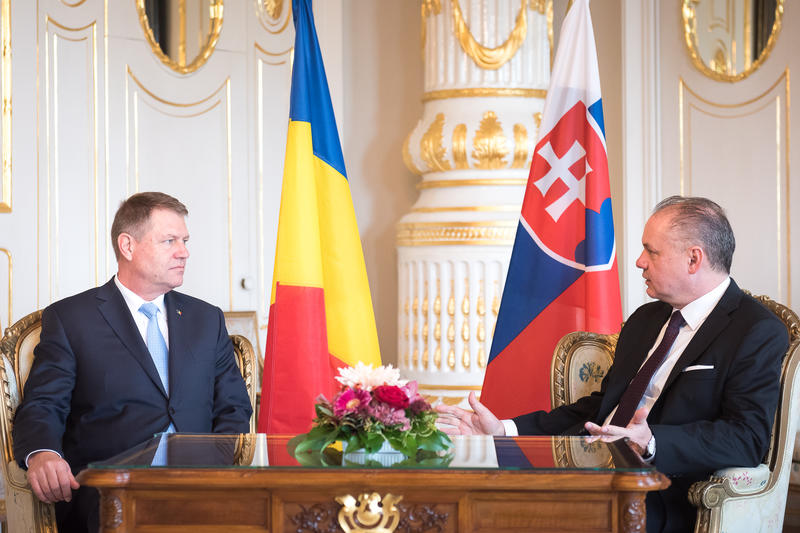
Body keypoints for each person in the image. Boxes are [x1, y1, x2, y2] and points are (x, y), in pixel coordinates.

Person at [437, 196, 788, 533]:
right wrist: (505, 431)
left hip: (658, 493)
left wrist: (652, 442)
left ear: (693, 260)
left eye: (651, 251)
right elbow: (597, 410)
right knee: (462, 498)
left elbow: (746, 437)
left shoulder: (755, 331)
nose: (638, 261)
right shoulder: (645, 320)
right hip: (584, 471)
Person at [12, 192, 253, 532]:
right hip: (110, 497)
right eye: (169, 240)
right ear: (128, 246)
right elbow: (43, 405)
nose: (183, 251)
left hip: (200, 492)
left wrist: (213, 476)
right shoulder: (72, 319)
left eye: (184, 240)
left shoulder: (206, 318)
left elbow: (233, 408)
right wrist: (42, 454)